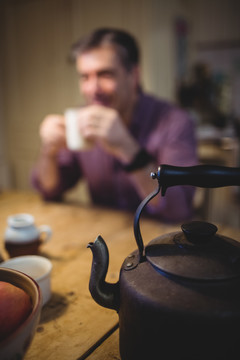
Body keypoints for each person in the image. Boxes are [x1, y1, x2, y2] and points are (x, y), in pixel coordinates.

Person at [31, 27, 198, 222]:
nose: (93, 89)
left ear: (134, 76)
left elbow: (178, 210)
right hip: (106, 238)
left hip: (161, 242)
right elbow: (49, 190)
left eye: (105, 75)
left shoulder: (175, 122)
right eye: (85, 77)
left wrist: (128, 149)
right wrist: (48, 151)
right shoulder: (81, 121)